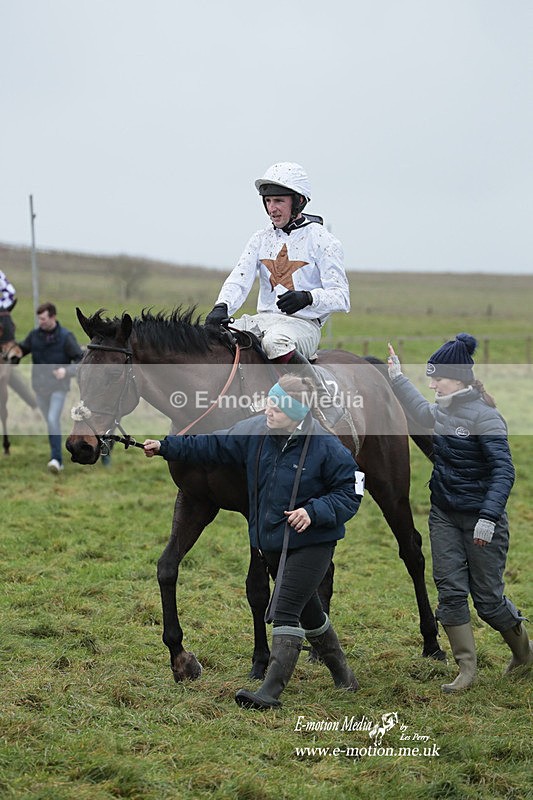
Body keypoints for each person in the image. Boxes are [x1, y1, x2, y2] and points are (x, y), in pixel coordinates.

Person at [143, 373, 363, 709]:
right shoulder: (256, 431)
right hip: (273, 543)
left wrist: (314, 512)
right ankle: (344, 677)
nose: (267, 410)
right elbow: (212, 444)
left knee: (286, 611)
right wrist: (165, 446)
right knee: (311, 615)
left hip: (311, 543)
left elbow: (350, 493)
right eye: (269, 402)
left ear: (297, 413)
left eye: (276, 406)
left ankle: (269, 692)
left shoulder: (327, 446)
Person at [387, 333, 533, 692]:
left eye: (438, 378)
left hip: (484, 520)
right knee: (450, 590)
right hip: (445, 514)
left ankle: (524, 654)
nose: (433, 383)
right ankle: (466, 669)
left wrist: (487, 517)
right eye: (430, 378)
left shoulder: (486, 418)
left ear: (460, 379)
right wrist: (397, 378)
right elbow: (421, 412)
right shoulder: (442, 410)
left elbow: (505, 471)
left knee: (488, 601)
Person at [204, 162, 351, 428]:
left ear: (300, 202)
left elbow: (341, 297)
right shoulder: (260, 238)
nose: (272, 208)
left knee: (275, 343)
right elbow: (240, 278)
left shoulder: (323, 240)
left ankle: (324, 401)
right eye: (268, 201)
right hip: (264, 320)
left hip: (303, 326)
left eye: (279, 201)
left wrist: (308, 298)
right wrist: (222, 306)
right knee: (218, 338)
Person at [18, 302, 83, 473]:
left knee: (53, 420)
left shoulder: (65, 337)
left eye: (43, 319)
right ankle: (64, 448)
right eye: (39, 319)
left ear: (53, 317)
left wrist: (66, 370)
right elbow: (21, 351)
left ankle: (57, 460)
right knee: (51, 423)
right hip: (40, 389)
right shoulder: (34, 336)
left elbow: (80, 361)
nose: (40, 322)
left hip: (58, 388)